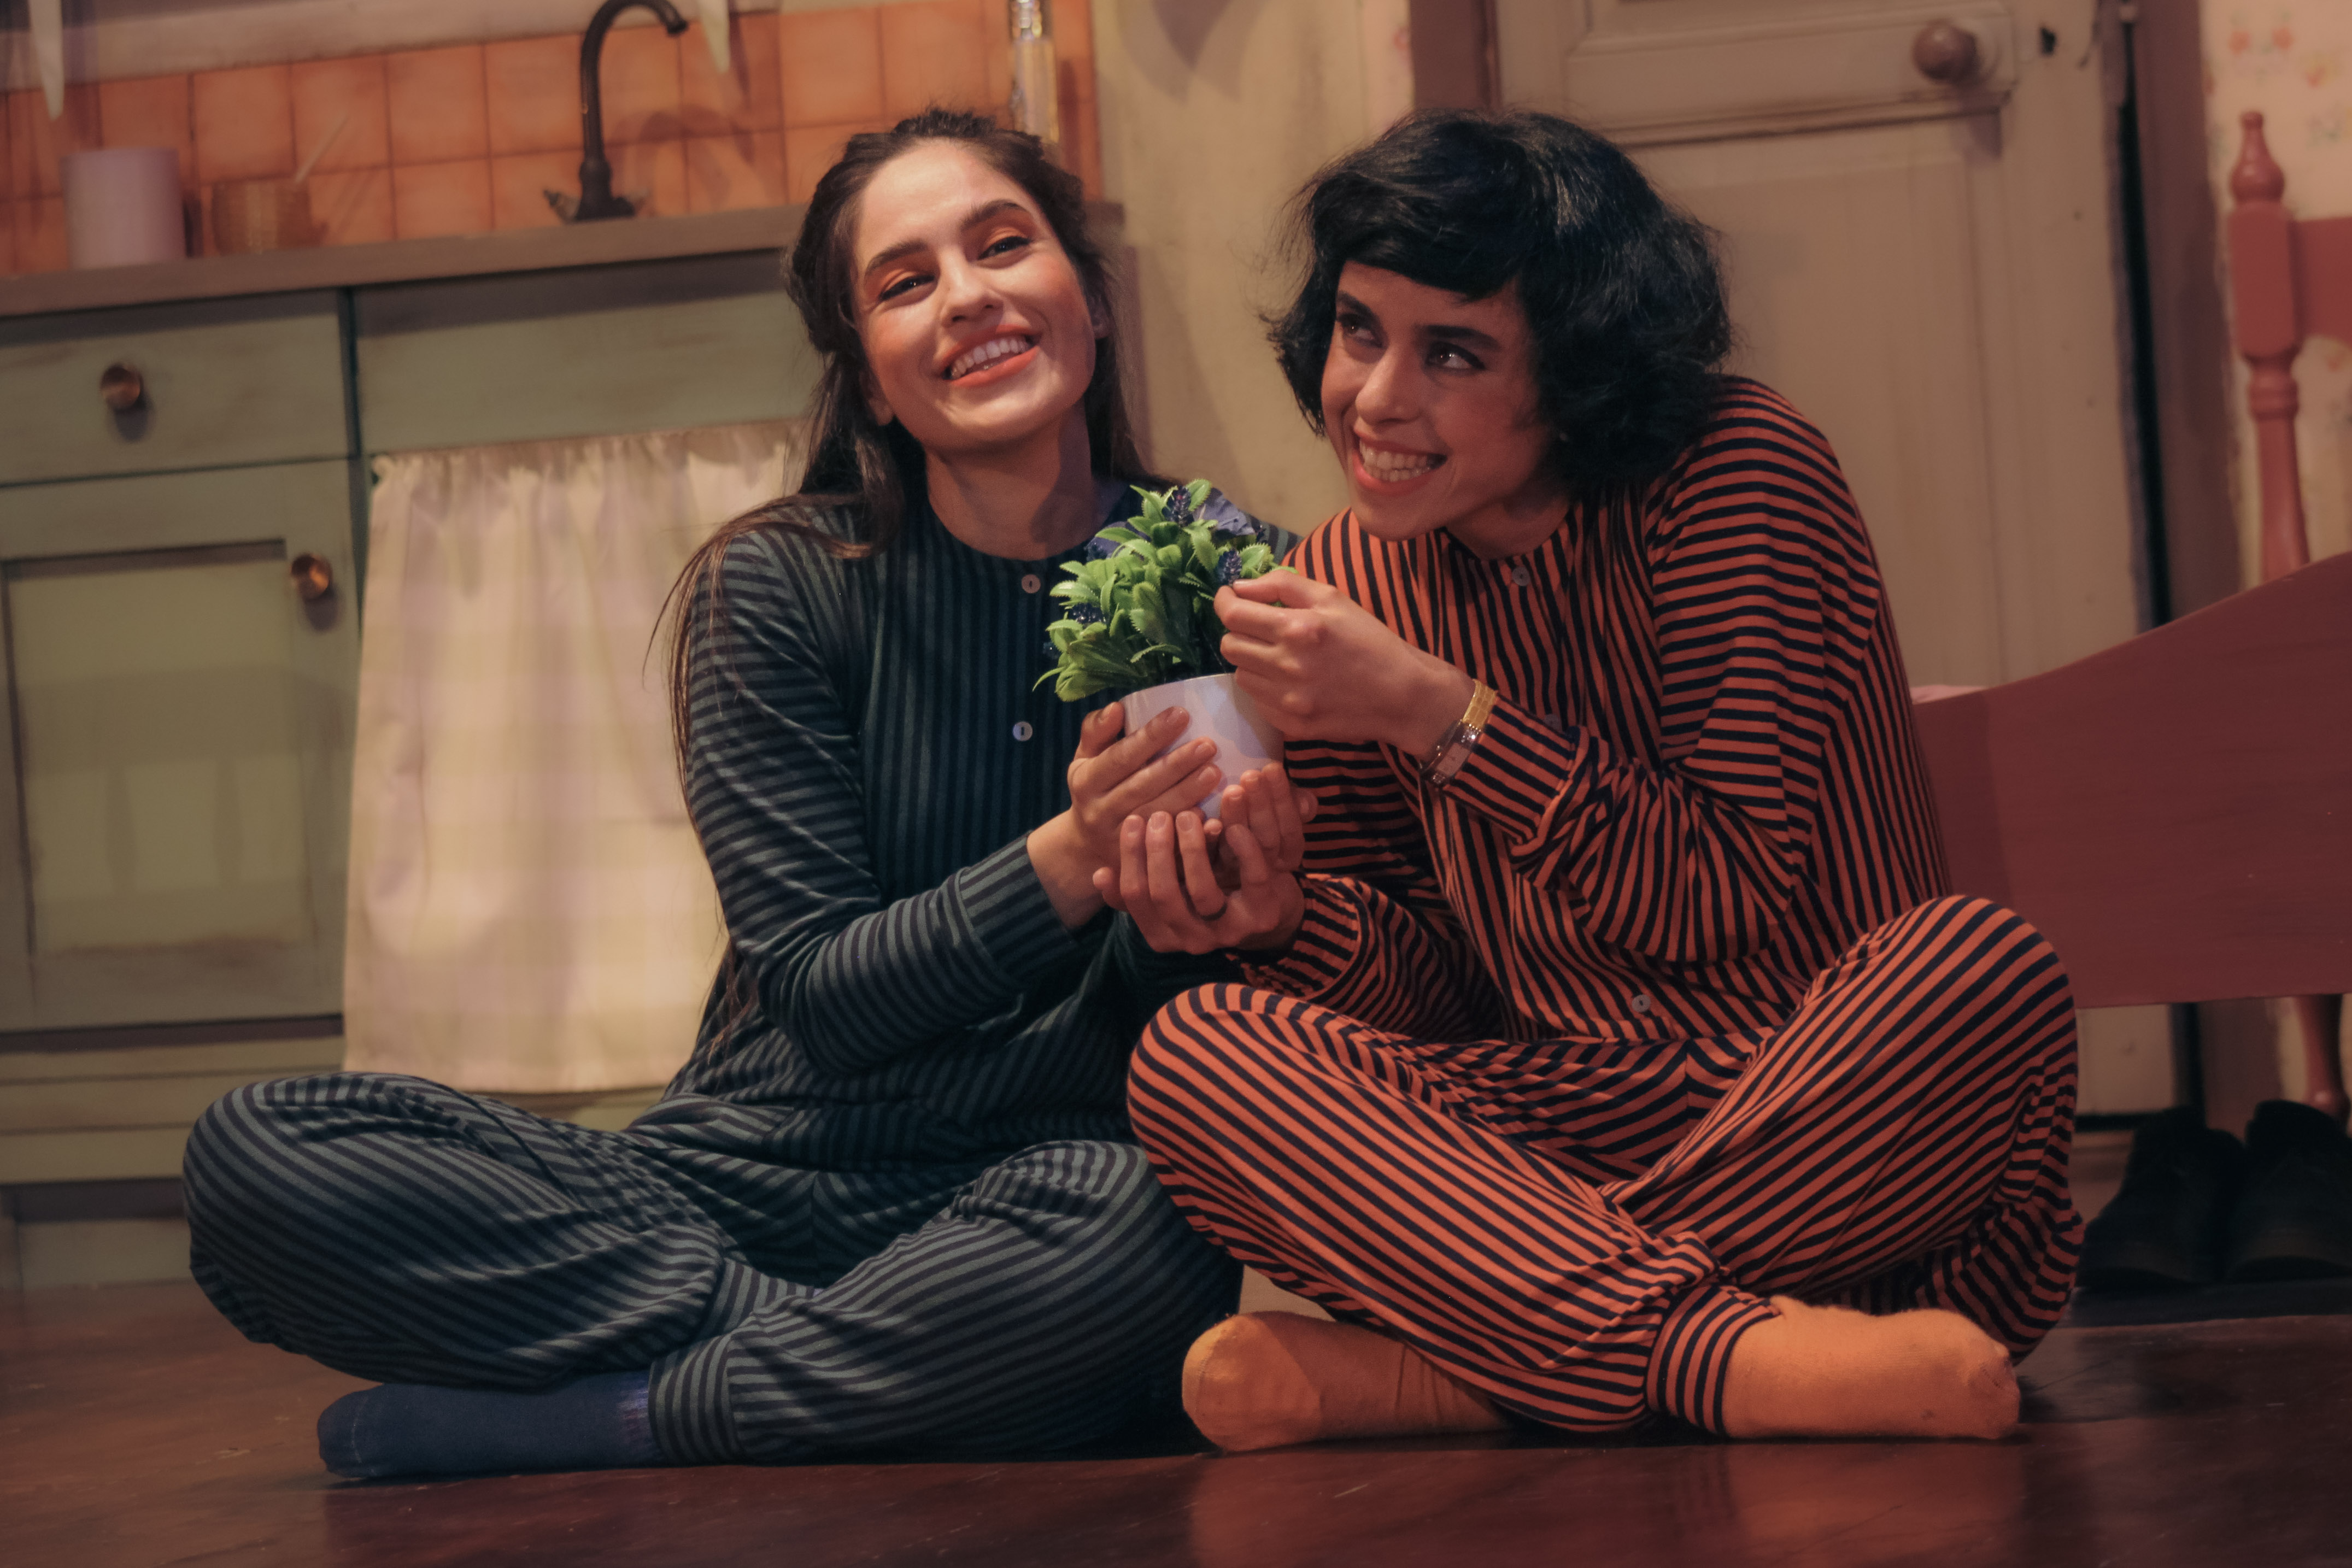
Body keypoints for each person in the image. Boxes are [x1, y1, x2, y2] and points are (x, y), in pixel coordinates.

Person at [181, 109, 1292, 1477]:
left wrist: (1229, 916)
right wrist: (1072, 856)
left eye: (1004, 245)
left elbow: (1223, 1016)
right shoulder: (777, 585)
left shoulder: (1234, 580)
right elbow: (821, 991)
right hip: (735, 1182)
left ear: (1093, 299)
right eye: (906, 281)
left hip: (1043, 1186)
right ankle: (885, 1372)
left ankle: (618, 1416)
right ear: (869, 378)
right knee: (260, 1152)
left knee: (1149, 1226)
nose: (968, 296)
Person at [1105, 109, 2082, 1450]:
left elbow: (1719, 895)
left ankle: (1470, 1367)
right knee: (1198, 1055)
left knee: (1983, 971)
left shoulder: (1739, 472)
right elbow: (1440, 988)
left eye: (1453, 353)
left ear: (1574, 367)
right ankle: (1741, 1360)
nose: (1377, 399)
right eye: (1358, 329)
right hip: (1559, 1129)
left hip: (1834, 1117)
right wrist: (1281, 918)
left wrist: (1434, 711)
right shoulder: (1341, 580)